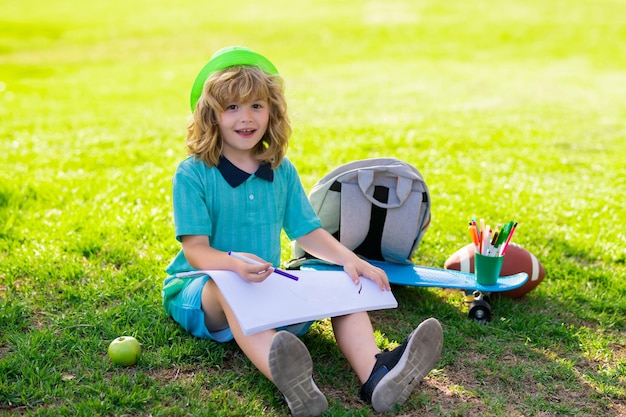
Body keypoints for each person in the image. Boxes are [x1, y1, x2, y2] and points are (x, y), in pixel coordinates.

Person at [162, 46, 443, 416]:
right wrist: (233, 263)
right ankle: (293, 384)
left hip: (267, 289)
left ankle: (376, 374)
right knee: (228, 286)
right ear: (210, 115)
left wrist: (350, 260)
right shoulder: (193, 173)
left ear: (272, 112)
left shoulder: (280, 171)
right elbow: (197, 250)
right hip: (204, 292)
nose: (246, 118)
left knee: (343, 279)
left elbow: (308, 233)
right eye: (232, 108)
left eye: (256, 106)